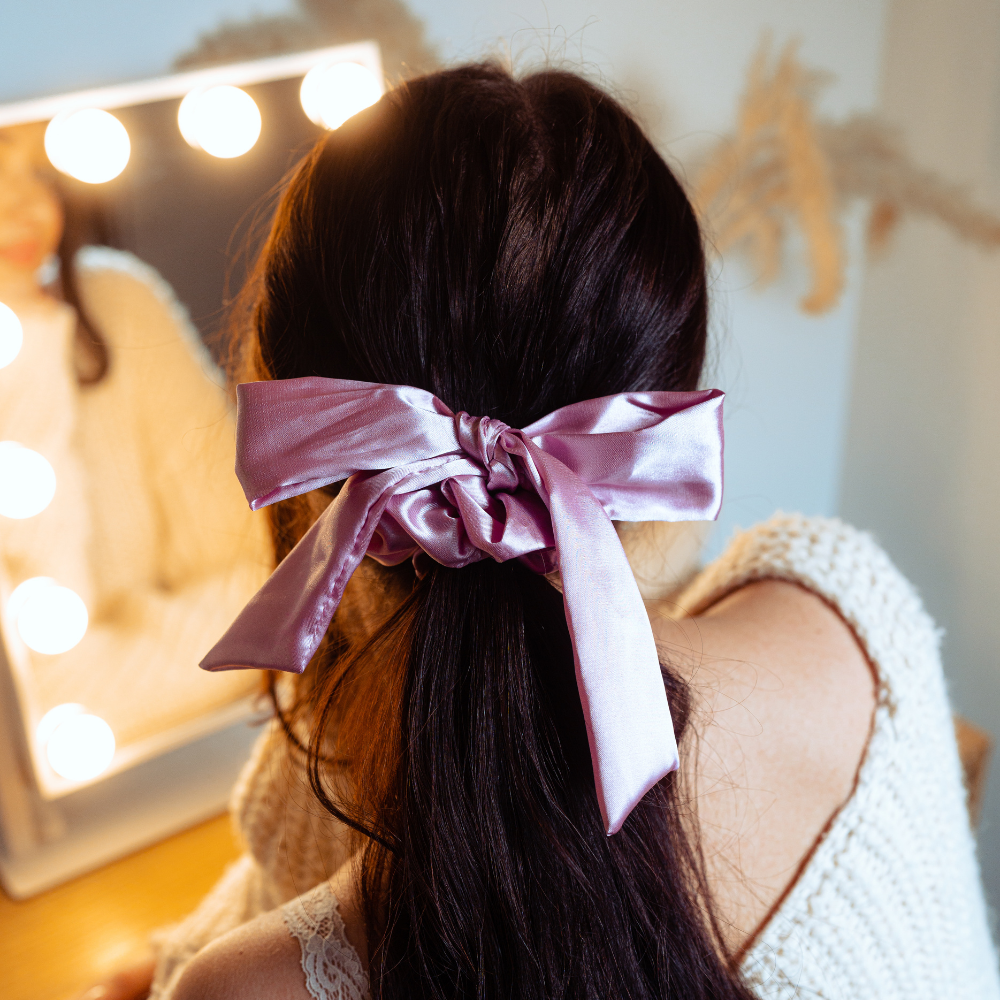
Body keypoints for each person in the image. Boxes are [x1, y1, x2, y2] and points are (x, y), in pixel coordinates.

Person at [94, 63, 999, 999]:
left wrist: (172, 971)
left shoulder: (252, 987)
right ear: (661, 413)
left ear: (304, 437)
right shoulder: (849, 615)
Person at [0, 126, 271, 793]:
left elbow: (266, 586)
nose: (24, 211)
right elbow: (45, 697)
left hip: (181, 788)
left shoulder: (116, 301)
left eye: (37, 172)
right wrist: (23, 352)